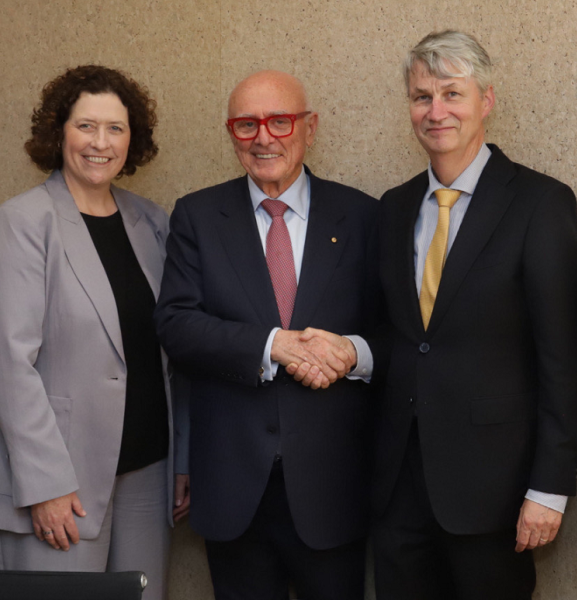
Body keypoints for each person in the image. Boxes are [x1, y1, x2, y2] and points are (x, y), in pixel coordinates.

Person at [371, 30, 577, 600]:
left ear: (485, 101)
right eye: (422, 96)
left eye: (452, 94)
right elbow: (398, 339)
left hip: (495, 492)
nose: (436, 111)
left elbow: (562, 360)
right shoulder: (393, 209)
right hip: (397, 490)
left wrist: (548, 488)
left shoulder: (540, 203)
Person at [154, 70, 379, 600]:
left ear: (310, 127)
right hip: (233, 485)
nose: (263, 137)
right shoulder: (198, 215)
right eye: (246, 124)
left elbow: (395, 333)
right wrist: (271, 344)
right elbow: (175, 323)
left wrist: (352, 354)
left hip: (333, 485)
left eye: (280, 121)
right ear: (231, 133)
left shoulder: (365, 216)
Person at [0, 65, 187, 600]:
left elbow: (172, 349)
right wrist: (45, 485)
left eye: (116, 128)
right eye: (86, 126)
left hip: (148, 475)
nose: (100, 143)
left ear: (134, 139)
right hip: (65, 482)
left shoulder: (151, 221)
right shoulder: (23, 222)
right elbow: (10, 364)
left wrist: (182, 460)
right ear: (59, 131)